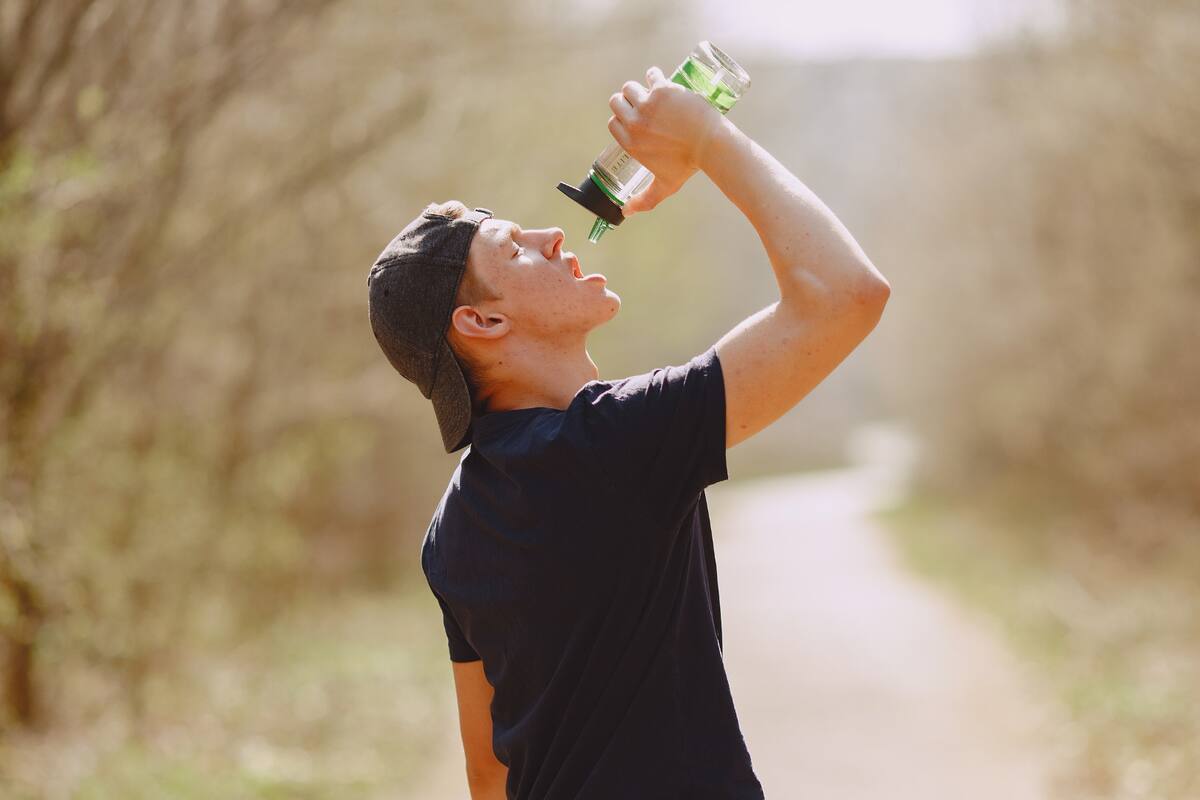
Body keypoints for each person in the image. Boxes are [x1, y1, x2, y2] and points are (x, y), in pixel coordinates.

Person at [366, 65, 890, 800]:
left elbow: (489, 771)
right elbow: (846, 294)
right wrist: (709, 139)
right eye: (514, 247)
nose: (552, 234)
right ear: (482, 323)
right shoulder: (614, 445)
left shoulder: (452, 526)